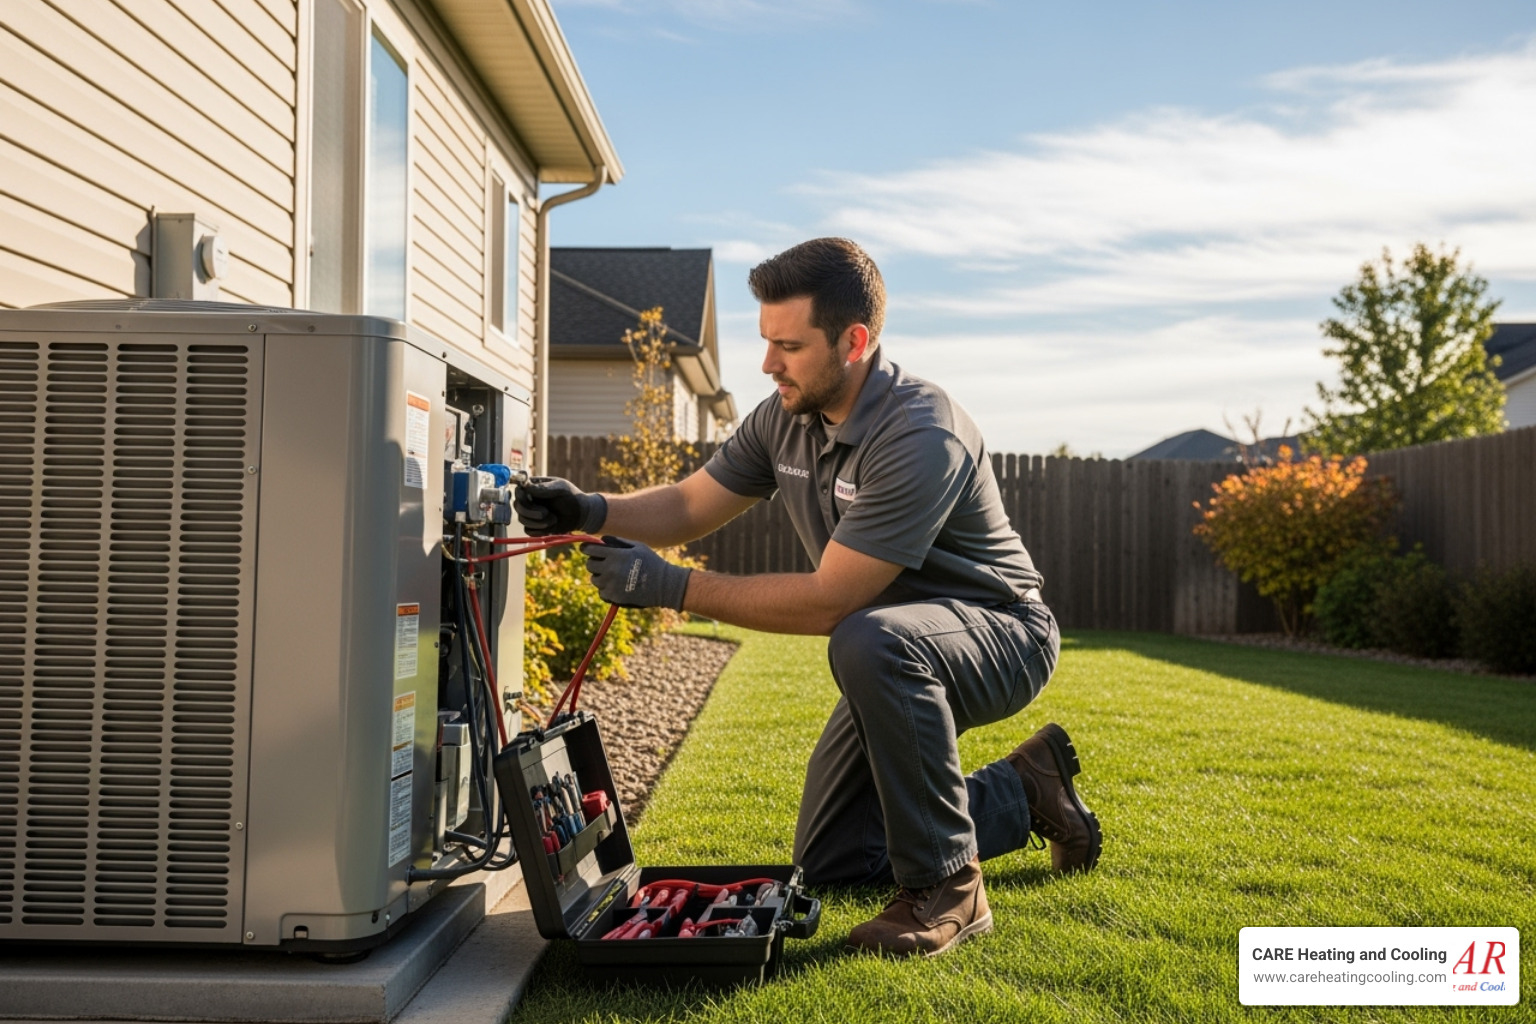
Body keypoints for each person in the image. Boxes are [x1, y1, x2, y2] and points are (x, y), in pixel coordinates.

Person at [514, 238, 1101, 957]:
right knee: (833, 863)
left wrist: (672, 587)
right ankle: (1025, 790)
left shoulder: (920, 432)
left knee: (867, 636)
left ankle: (952, 887)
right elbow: (690, 504)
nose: (768, 364)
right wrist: (588, 510)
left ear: (854, 341)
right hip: (891, 647)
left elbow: (831, 603)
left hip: (999, 634)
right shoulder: (783, 416)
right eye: (766, 342)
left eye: (788, 346)